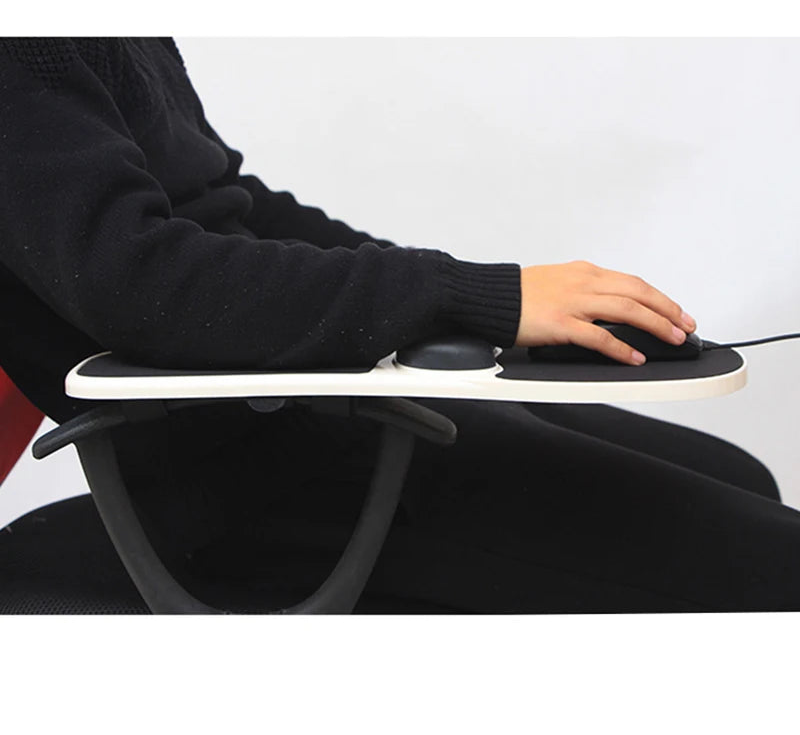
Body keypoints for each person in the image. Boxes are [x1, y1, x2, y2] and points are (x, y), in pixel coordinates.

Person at [0, 36, 795, 613]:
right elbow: (147, 282)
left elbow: (227, 206)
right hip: (253, 482)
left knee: (739, 474)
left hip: (333, 411)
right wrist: (467, 295)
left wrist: (497, 301)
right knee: (775, 573)